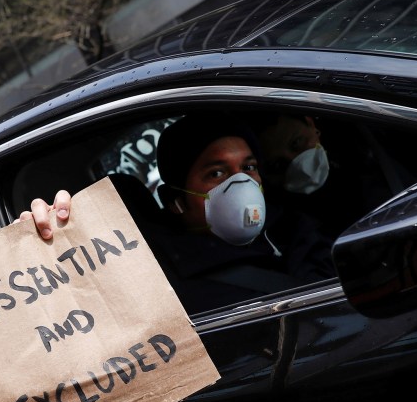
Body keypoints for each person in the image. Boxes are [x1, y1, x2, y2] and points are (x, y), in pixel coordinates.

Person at [20, 112, 335, 313]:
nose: (242, 184)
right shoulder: (156, 278)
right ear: (176, 201)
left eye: (248, 167)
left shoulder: (297, 230)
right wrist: (47, 239)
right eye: (216, 173)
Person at [246, 111, 388, 237]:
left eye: (297, 143)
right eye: (277, 165)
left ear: (311, 124)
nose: (299, 167)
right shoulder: (282, 229)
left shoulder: (367, 155)